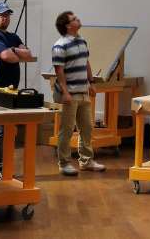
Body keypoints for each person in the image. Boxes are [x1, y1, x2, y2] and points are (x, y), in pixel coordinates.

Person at [0, 0, 35, 180]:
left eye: (7, 15)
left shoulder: (13, 37)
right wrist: (14, 52)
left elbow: (28, 54)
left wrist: (13, 50)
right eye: (2, 15)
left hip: (10, 88)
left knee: (3, 127)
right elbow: (6, 56)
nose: (5, 18)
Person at [52, 11, 105, 176]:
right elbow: (59, 71)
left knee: (87, 127)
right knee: (67, 130)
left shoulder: (82, 40)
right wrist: (65, 92)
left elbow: (86, 62)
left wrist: (92, 83)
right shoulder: (60, 45)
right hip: (69, 94)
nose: (78, 19)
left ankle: (86, 161)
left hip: (83, 92)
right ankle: (64, 163)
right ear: (68, 26)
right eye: (74, 19)